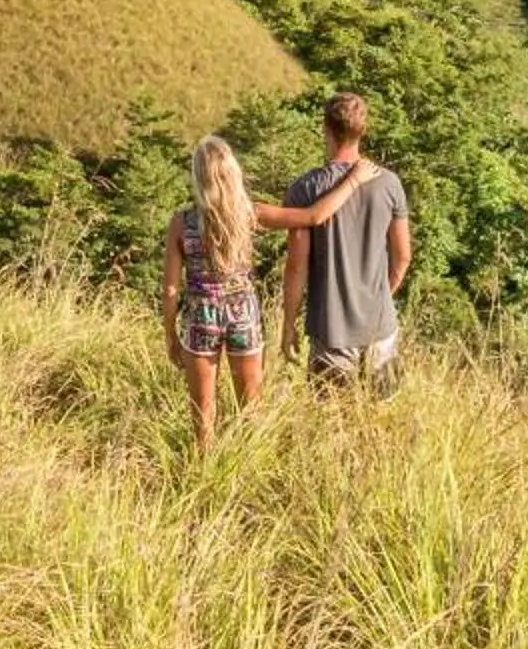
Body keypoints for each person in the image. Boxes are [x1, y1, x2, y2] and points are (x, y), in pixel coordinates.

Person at [163, 135, 377, 448]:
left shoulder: (181, 224)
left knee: (203, 417)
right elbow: (314, 216)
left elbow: (171, 287)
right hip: (243, 315)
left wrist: (170, 335)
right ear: (232, 173)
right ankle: (246, 467)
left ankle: (204, 469)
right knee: (250, 412)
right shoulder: (250, 214)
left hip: (200, 317)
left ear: (198, 176)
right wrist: (354, 180)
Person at [281, 91, 411, 391]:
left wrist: (289, 324)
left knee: (332, 415)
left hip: (331, 331)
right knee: (383, 412)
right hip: (381, 328)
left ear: (325, 128)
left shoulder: (305, 189)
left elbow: (297, 266)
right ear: (363, 130)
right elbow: (403, 256)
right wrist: (381, 296)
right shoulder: (389, 183)